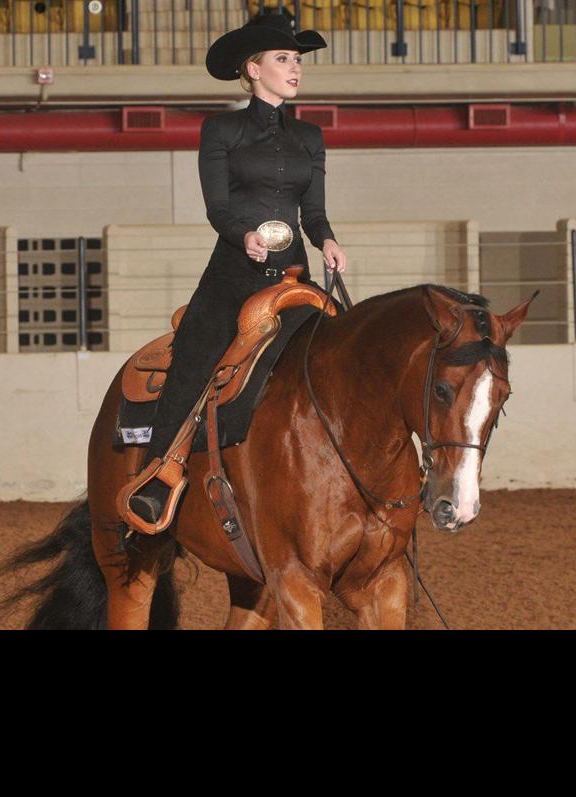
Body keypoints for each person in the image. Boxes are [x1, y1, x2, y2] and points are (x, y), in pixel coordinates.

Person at [129, 8, 349, 525]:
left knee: (340, 349)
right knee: (194, 356)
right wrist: (243, 236)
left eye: (297, 59)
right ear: (252, 69)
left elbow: (312, 211)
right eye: (283, 59)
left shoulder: (310, 138)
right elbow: (217, 208)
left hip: (293, 275)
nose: (295, 68)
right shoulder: (220, 129)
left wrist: (328, 239)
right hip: (233, 272)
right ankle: (158, 476)